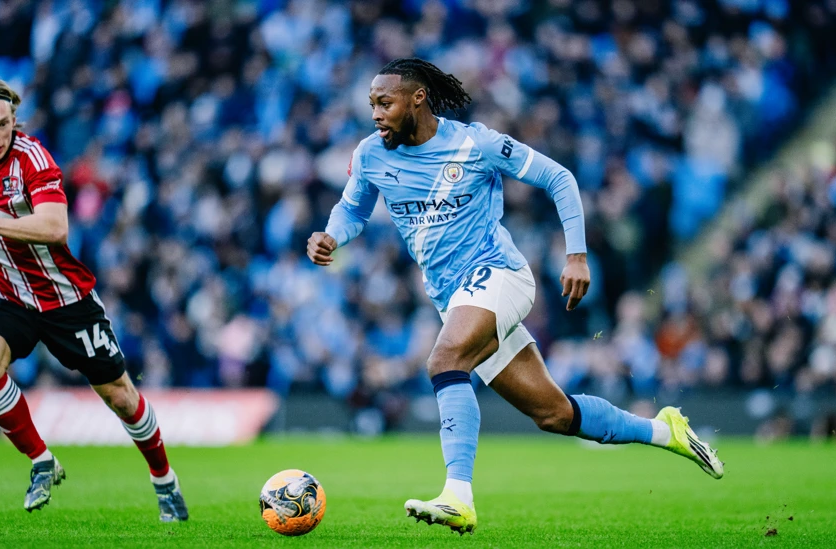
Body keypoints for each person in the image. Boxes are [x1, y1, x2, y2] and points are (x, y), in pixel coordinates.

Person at [307, 58, 724, 535]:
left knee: (445, 360)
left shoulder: (475, 144)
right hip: (454, 297)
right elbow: (352, 208)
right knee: (554, 414)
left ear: (417, 98)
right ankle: (664, 430)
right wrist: (331, 236)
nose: (376, 114)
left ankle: (457, 495)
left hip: (499, 274)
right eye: (372, 105)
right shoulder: (370, 154)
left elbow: (559, 178)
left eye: (385, 103)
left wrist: (577, 256)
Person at [0, 78, 188, 522]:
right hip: (5, 295)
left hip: (64, 299)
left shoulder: (33, 160)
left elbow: (54, 228)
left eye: (3, 125)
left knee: (121, 396)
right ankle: (41, 460)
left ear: (14, 120)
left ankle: (164, 481)